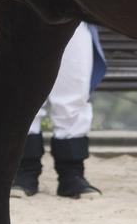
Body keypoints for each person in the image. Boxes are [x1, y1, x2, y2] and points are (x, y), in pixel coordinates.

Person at [10, 22, 107, 199]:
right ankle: (23, 171)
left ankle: (71, 174)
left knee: (73, 94)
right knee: (25, 93)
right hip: (25, 10)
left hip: (75, 12)